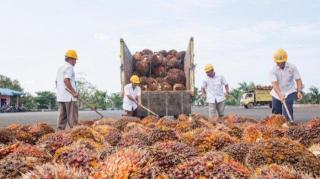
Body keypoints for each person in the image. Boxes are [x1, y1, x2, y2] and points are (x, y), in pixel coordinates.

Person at [270, 48, 303, 123]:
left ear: (285, 60)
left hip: (289, 91)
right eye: (278, 62)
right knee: (276, 112)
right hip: (276, 93)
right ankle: (276, 129)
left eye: (282, 62)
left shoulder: (292, 67)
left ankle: (288, 124)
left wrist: (299, 91)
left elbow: (298, 80)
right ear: (275, 61)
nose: (280, 64)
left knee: (287, 108)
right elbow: (274, 84)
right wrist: (280, 95)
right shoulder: (272, 70)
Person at [55, 49, 79, 130]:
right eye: (75, 59)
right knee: (73, 121)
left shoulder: (60, 68)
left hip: (61, 97)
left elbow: (56, 82)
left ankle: (59, 136)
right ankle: (76, 137)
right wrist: (74, 92)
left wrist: (60, 91)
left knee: (61, 119)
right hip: (69, 98)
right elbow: (66, 80)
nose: (75, 62)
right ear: (70, 59)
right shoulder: (69, 67)